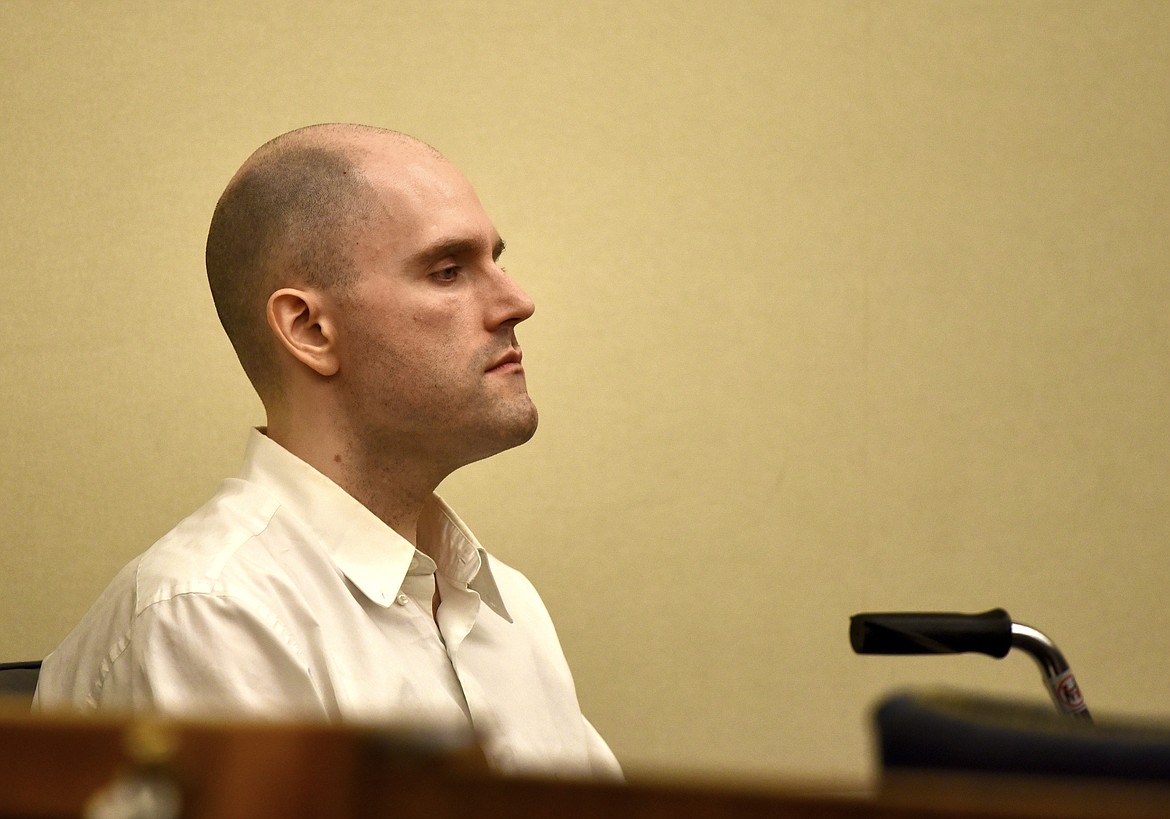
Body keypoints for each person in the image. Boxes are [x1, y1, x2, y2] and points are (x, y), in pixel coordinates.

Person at [33, 123, 621, 780]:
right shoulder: (210, 609)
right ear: (310, 329)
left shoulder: (505, 602)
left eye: (497, 259)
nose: (517, 300)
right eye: (449, 270)